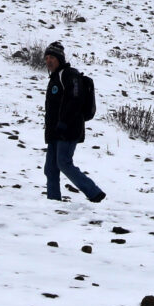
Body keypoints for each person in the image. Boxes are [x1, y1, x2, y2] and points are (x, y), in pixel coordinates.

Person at [41, 42, 104, 204]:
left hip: (68, 129)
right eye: (46, 58)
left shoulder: (69, 75)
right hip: (55, 131)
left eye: (52, 57)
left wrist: (64, 123)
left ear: (60, 59)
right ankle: (53, 201)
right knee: (50, 168)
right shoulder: (55, 78)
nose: (48, 61)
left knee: (64, 163)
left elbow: (75, 100)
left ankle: (94, 192)